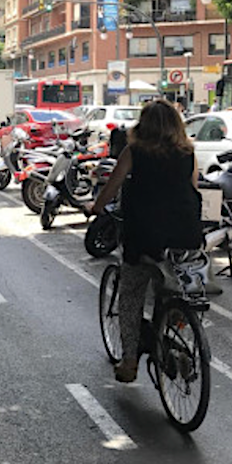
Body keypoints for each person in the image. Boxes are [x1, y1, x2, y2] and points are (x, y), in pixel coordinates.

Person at [87, 100, 203, 382]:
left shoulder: (135, 152)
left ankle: (129, 363)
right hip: (185, 237)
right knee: (174, 289)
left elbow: (112, 185)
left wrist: (94, 207)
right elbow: (193, 189)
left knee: (131, 295)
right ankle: (174, 332)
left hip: (145, 238)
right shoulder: (188, 153)